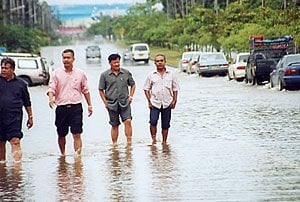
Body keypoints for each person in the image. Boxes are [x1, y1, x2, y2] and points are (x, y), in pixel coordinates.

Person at [47, 49, 93, 156]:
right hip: (61, 108)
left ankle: (78, 157)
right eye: (64, 58)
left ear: (73, 59)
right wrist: (50, 99)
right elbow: (51, 89)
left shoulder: (80, 73)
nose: (66, 60)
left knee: (77, 133)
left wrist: (90, 105)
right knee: (61, 134)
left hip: (76, 107)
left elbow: (85, 90)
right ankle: (62, 155)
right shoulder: (56, 73)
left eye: (68, 58)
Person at [0, 58, 33, 162]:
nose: (3, 70)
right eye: (2, 68)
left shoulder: (21, 84)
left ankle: (17, 167)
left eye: (6, 68)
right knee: (1, 142)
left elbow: (27, 102)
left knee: (15, 141)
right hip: (0, 117)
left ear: (13, 69)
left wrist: (30, 117)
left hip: (14, 117)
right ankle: (2, 165)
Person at [98, 53, 136, 145]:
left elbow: (133, 84)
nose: (117, 64)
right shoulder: (104, 75)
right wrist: (105, 103)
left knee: (128, 121)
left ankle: (129, 143)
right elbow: (100, 89)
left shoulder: (126, 72)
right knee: (114, 125)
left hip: (125, 102)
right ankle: (114, 145)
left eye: (118, 62)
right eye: (114, 63)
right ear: (110, 63)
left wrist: (130, 96)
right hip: (111, 104)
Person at [143, 54, 179, 144]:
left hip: (167, 103)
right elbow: (146, 89)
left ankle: (164, 142)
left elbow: (175, 88)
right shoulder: (151, 75)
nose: (160, 63)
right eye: (157, 61)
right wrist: (149, 101)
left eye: (161, 61)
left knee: (166, 124)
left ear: (165, 62)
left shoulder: (171, 75)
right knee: (153, 121)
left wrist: (174, 100)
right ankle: (154, 140)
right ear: (155, 63)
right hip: (155, 103)